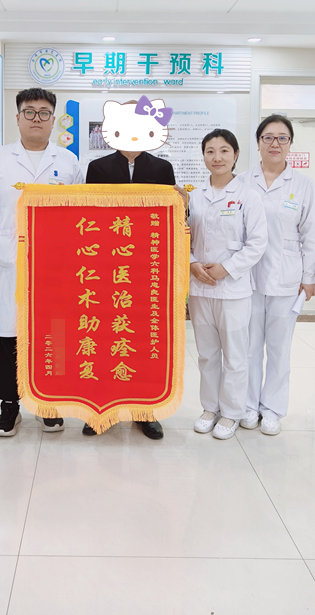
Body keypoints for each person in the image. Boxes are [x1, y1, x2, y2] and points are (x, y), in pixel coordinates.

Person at [0, 88, 84, 437]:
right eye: (29, 112)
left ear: (53, 120)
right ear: (18, 117)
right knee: (8, 332)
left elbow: (80, 214)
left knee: (55, 330)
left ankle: (49, 402)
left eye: (43, 112)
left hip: (58, 264)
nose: (36, 118)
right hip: (11, 260)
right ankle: (10, 405)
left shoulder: (68, 161)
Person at [84, 109, 176, 440]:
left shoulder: (162, 168)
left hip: (147, 267)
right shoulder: (97, 168)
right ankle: (102, 409)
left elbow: (171, 217)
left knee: (143, 338)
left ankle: (144, 411)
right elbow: (89, 216)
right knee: (105, 337)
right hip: (107, 266)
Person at [237, 115, 315, 435]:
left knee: (279, 348)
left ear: (290, 144)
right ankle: (247, 405)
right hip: (247, 277)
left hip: (288, 276)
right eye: (268, 137)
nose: (275, 143)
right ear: (258, 143)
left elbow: (311, 233)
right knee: (248, 346)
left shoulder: (302, 184)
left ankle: (271, 408)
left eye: (282, 138)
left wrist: (309, 275)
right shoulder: (242, 181)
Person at [188, 129, 267, 440]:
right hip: (200, 287)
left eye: (224, 151)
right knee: (207, 353)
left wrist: (227, 268)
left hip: (233, 289)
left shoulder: (248, 196)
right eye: (210, 151)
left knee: (235, 354)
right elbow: (182, 236)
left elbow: (257, 243)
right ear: (203, 156)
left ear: (235, 155)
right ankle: (210, 408)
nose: (217, 157)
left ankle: (232, 412)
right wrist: (192, 263)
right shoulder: (194, 196)